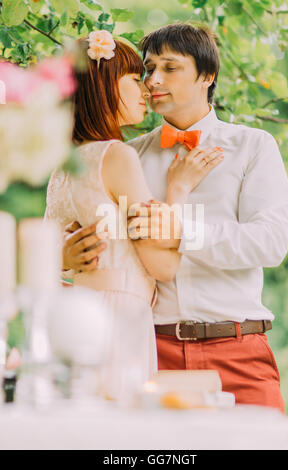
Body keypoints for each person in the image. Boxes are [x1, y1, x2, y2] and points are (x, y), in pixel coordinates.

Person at [64, 23, 288, 412]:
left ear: (207, 75)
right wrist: (65, 257)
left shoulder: (254, 146)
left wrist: (183, 231)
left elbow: (270, 243)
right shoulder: (123, 156)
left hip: (239, 350)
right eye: (148, 70)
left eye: (170, 68)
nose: (153, 80)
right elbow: (78, 229)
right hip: (152, 353)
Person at [44, 29, 223, 401]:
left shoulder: (64, 166)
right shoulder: (118, 156)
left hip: (74, 316)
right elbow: (164, 267)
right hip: (119, 315)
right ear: (105, 85)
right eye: (134, 79)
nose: (147, 89)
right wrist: (178, 189)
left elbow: (51, 253)